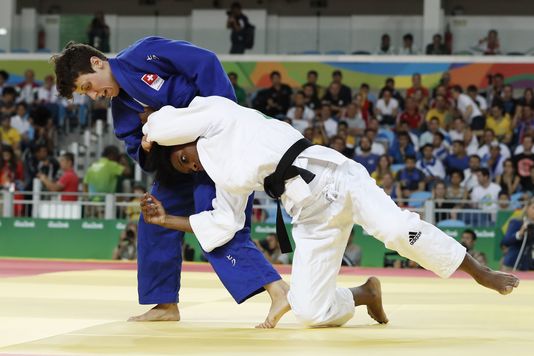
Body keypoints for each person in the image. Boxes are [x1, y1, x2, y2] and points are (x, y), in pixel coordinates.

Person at [142, 95, 519, 329]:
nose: (194, 165)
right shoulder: (223, 175)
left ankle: (479, 271)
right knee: (309, 312)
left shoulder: (219, 116)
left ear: (182, 138)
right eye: (188, 168)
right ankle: (364, 293)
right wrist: (165, 221)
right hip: (307, 214)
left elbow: (161, 120)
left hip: (335, 177)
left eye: (184, 157)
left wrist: (150, 135)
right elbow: (224, 223)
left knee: (395, 231)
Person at [51, 37, 286, 324]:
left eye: (88, 86)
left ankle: (277, 290)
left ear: (97, 62)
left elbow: (205, 62)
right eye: (84, 94)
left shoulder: (145, 53)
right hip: (178, 166)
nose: (93, 95)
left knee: (216, 223)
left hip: (214, 149)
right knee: (153, 216)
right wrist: (147, 148)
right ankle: (164, 304)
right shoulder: (122, 109)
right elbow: (137, 150)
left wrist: (221, 122)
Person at [501, 197, 534, 271]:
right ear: (527, 208)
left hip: (529, 267)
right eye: (533, 208)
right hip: (512, 265)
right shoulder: (517, 222)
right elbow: (506, 241)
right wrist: (520, 233)